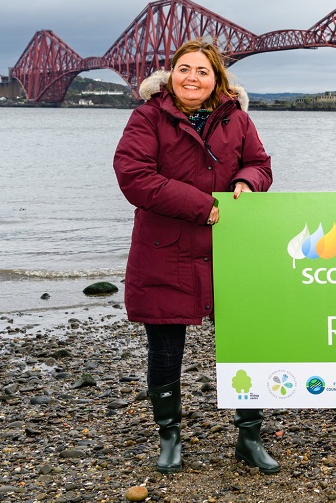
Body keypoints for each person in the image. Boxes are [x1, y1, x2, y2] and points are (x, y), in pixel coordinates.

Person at [113, 39, 279, 474]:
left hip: (231, 249)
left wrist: (247, 181)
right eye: (184, 69)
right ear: (171, 75)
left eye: (203, 71)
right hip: (164, 250)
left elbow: (261, 164)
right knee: (166, 348)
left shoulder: (238, 120)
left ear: (217, 78)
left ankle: (250, 437)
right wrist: (201, 205)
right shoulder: (147, 117)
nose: (192, 77)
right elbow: (133, 177)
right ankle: (169, 436)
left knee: (246, 343)